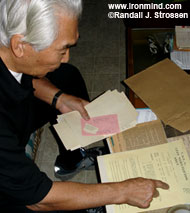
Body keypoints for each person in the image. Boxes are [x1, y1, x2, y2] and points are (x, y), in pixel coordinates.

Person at [0, 0, 169, 212]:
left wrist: (58, 99)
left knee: (66, 76)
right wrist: (122, 191)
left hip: (14, 113)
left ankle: (71, 160)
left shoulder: (6, 49)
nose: (66, 57)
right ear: (19, 46)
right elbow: (40, 199)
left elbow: (25, 77)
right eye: (62, 50)